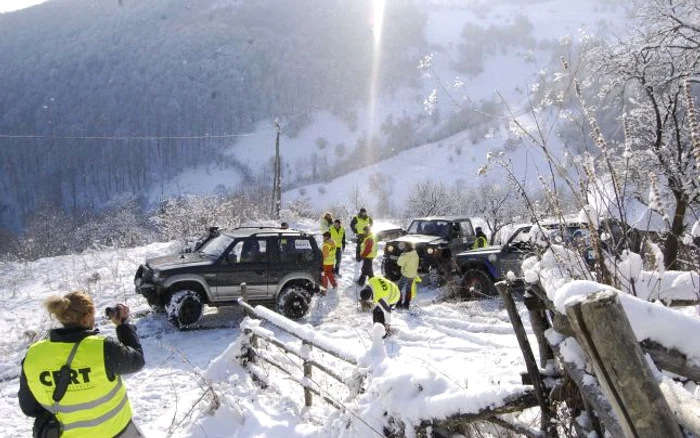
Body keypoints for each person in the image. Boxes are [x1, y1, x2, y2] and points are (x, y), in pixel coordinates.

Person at [19, 291, 145, 438]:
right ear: (86, 317)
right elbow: (137, 360)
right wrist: (123, 326)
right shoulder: (104, 349)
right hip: (117, 432)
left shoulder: (34, 355)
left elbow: (29, 408)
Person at [396, 242, 419, 309]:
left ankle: (399, 303)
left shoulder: (406, 255)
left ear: (407, 247)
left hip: (406, 274)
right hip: (413, 274)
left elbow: (399, 263)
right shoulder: (415, 253)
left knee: (399, 288)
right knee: (408, 289)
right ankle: (406, 304)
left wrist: (402, 255)